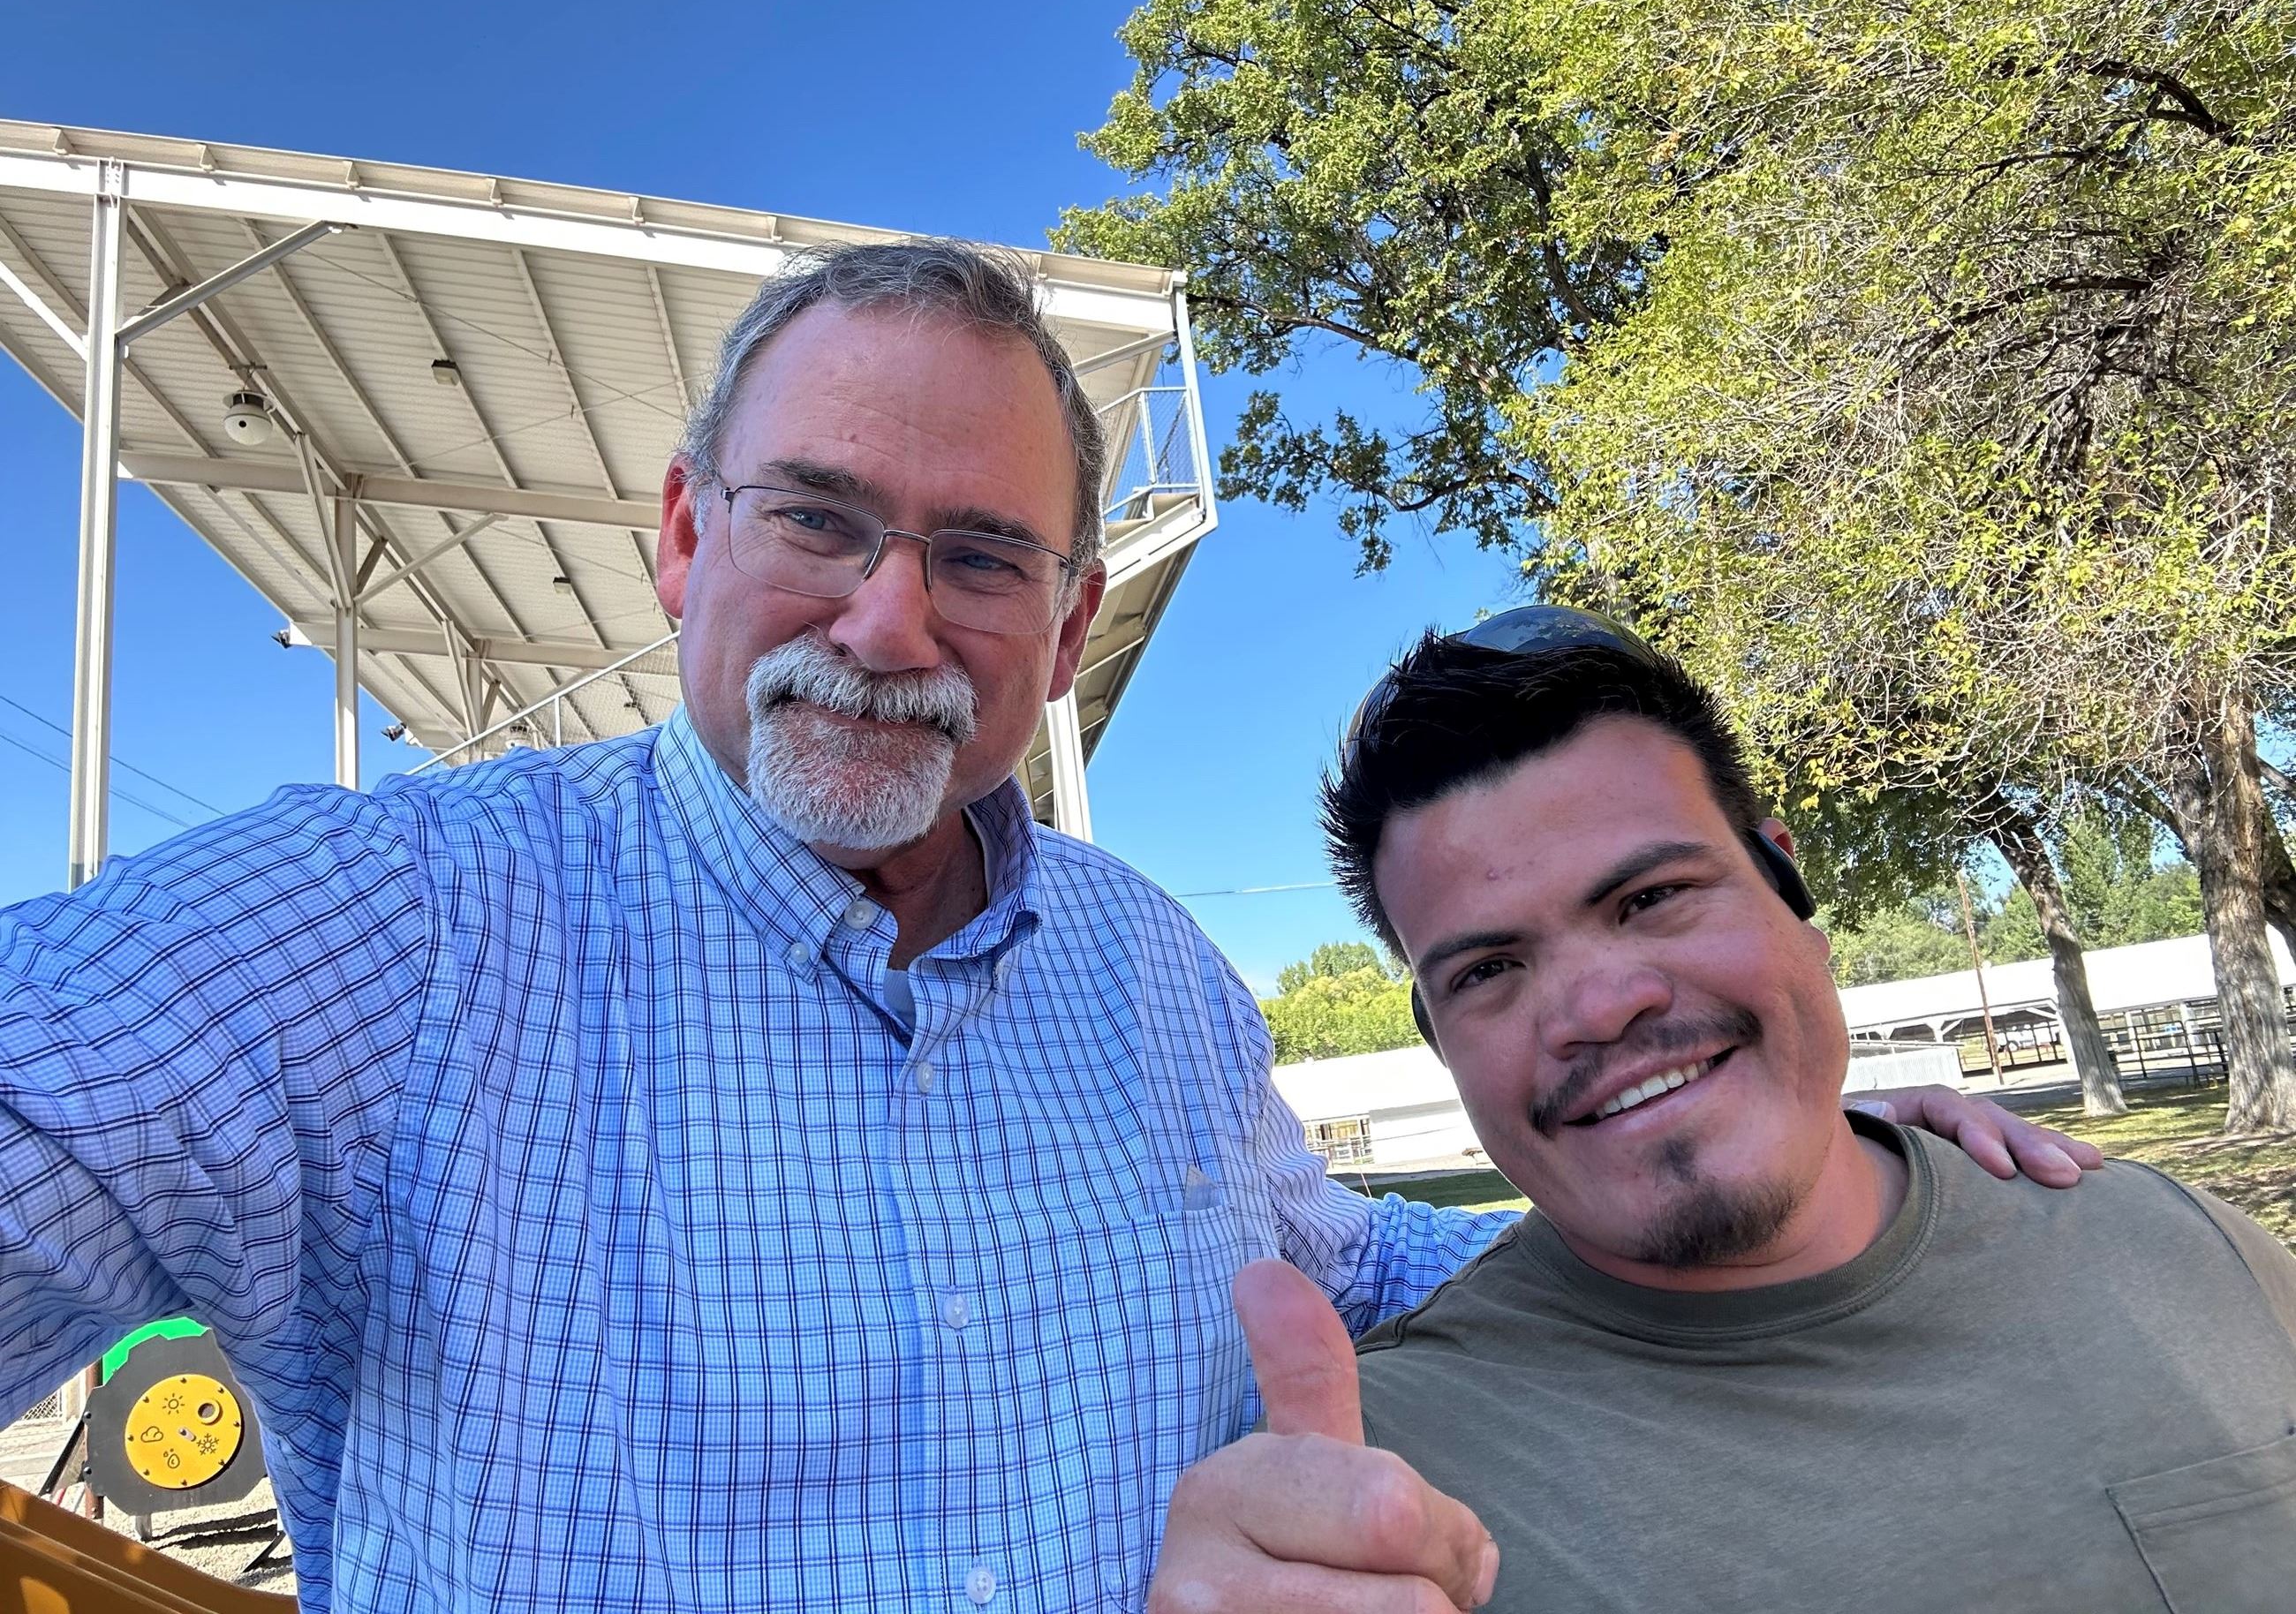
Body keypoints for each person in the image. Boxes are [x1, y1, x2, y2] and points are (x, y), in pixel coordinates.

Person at [0, 244, 2086, 1612]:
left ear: (1070, 629)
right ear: (679, 534)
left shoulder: (1143, 967)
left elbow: (1338, 1252)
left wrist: (1791, 1151)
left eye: (984, 557)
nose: (888, 622)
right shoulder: (381, 931)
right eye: (815, 516)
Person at [1151, 608, 2296, 1614]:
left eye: (1650, 897)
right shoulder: (1380, 1508)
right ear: (1443, 1042)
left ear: (1786, 881)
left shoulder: (2182, 1250)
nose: (1597, 1006)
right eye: (1489, 969)